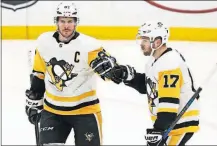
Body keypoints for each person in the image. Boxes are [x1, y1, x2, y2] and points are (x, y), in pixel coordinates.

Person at [25, 2, 117, 145]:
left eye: (70, 21)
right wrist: (34, 100)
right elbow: (39, 74)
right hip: (52, 111)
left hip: (85, 111)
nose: (66, 26)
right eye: (62, 21)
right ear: (56, 22)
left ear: (75, 23)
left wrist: (112, 70)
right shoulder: (44, 42)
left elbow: (110, 74)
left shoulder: (90, 46)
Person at [107, 21, 200, 145]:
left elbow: (169, 103)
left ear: (157, 42)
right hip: (170, 123)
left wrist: (158, 130)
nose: (141, 44)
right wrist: (129, 76)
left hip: (178, 123)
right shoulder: (155, 60)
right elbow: (151, 88)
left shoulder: (170, 64)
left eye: (145, 40)